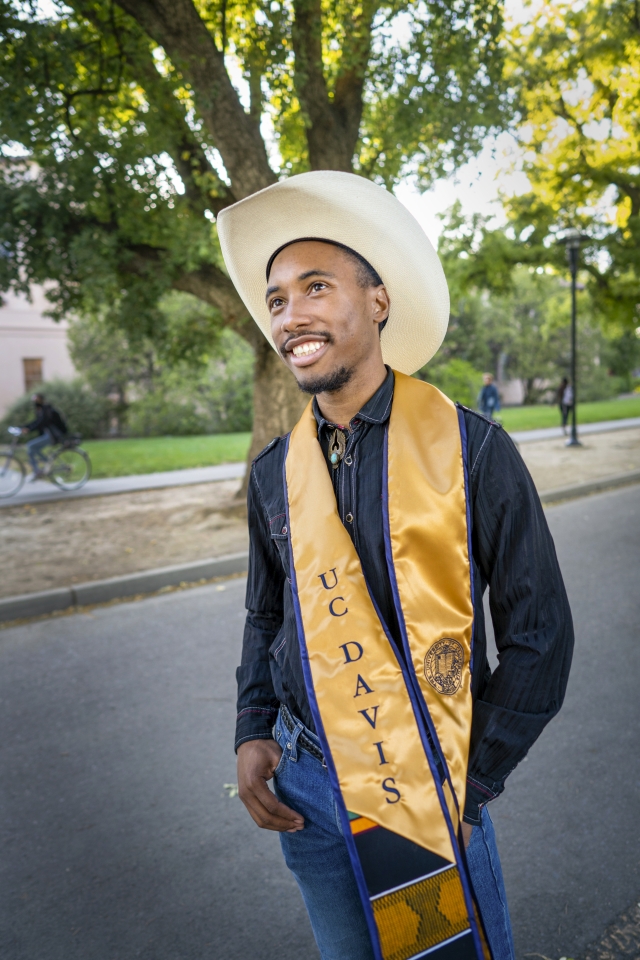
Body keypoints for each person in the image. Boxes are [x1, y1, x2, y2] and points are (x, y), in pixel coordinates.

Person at [218, 172, 573, 960]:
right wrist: (251, 729)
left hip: (424, 787)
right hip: (305, 786)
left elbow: (541, 635)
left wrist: (472, 788)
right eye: (277, 299)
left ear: (376, 301)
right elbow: (266, 612)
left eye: (316, 287)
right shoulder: (276, 470)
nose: (291, 315)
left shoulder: (472, 449)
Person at [21, 393, 68, 480]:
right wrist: (24, 427)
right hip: (48, 435)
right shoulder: (41, 410)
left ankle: (38, 471)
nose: (35, 402)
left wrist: (28, 429)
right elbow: (36, 421)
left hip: (53, 435)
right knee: (33, 448)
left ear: (41, 400)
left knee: (30, 446)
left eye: (37, 400)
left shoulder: (46, 409)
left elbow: (41, 423)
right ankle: (47, 463)